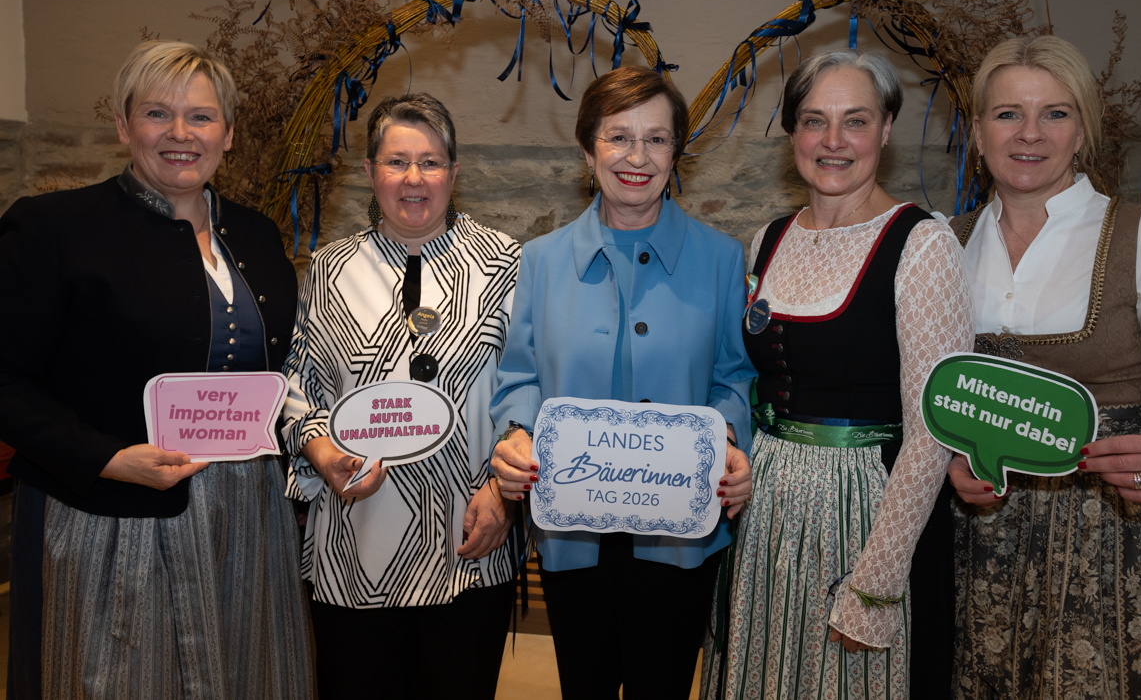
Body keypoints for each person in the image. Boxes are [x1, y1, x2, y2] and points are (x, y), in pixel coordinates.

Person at [0, 40, 311, 698]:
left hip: (245, 515)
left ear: (227, 133)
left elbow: (277, 371)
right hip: (108, 516)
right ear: (122, 125)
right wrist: (107, 456)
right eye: (156, 114)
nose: (179, 133)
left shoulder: (256, 234)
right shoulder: (54, 228)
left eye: (199, 117)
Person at [947, 35, 1141, 700]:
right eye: (1007, 113)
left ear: (1082, 132)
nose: (1029, 133)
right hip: (976, 540)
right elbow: (933, 396)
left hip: (1115, 535)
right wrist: (949, 461)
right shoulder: (944, 243)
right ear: (979, 131)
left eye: (1055, 112)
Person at [702, 50, 975, 700]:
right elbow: (749, 378)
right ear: (792, 132)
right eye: (813, 120)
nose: (831, 141)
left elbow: (933, 431)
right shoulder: (767, 237)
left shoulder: (923, 243)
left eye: (854, 121)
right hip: (766, 513)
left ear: (886, 128)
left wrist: (876, 582)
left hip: (864, 513)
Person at [489, 65, 756, 699]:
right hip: (570, 530)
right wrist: (516, 435)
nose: (637, 157)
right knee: (582, 686)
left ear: (676, 152)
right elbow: (520, 374)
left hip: (680, 531)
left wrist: (731, 444)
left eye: (657, 139)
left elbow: (733, 377)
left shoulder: (721, 258)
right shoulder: (540, 261)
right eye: (618, 138)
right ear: (588, 149)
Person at [281, 93, 522, 699]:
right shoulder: (331, 270)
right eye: (396, 162)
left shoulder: (507, 265)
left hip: (470, 539)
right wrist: (319, 452)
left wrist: (505, 496)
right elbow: (295, 388)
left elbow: (532, 391)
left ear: (454, 172)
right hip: (355, 540)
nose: (414, 179)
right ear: (370, 173)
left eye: (431, 161)